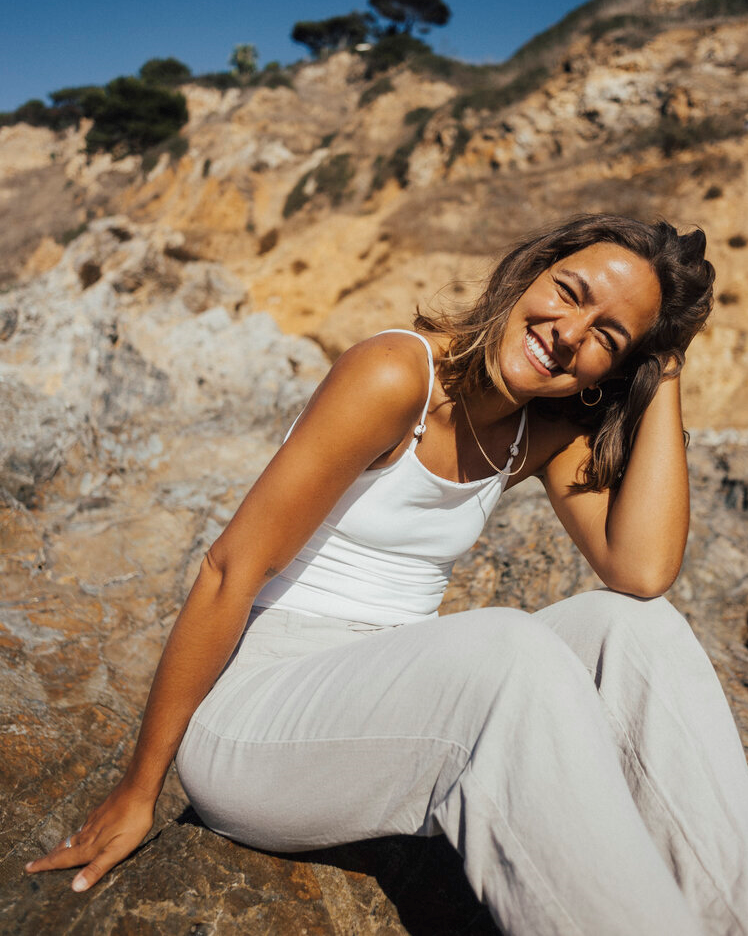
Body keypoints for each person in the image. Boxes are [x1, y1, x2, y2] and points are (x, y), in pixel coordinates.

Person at [26, 215, 748, 935]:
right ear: (530, 271)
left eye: (607, 338)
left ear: (611, 374)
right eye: (570, 291)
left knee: (638, 628)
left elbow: (643, 569)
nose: (569, 331)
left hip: (384, 698)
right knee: (508, 650)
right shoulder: (397, 374)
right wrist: (139, 787)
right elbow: (229, 570)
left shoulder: (541, 430)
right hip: (258, 717)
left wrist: (666, 361)